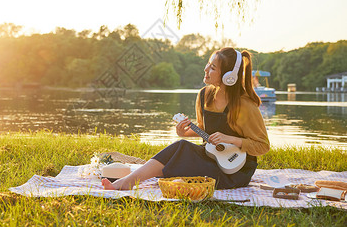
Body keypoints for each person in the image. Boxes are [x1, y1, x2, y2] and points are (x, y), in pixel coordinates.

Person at [102, 47, 270, 190]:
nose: (206, 69)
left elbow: (262, 146)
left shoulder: (245, 105)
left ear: (229, 76)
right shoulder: (205, 95)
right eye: (208, 64)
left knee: (180, 153)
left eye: (212, 67)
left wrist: (231, 139)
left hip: (235, 170)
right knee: (181, 146)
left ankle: (126, 183)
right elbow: (205, 130)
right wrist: (185, 133)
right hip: (211, 158)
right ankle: (128, 182)